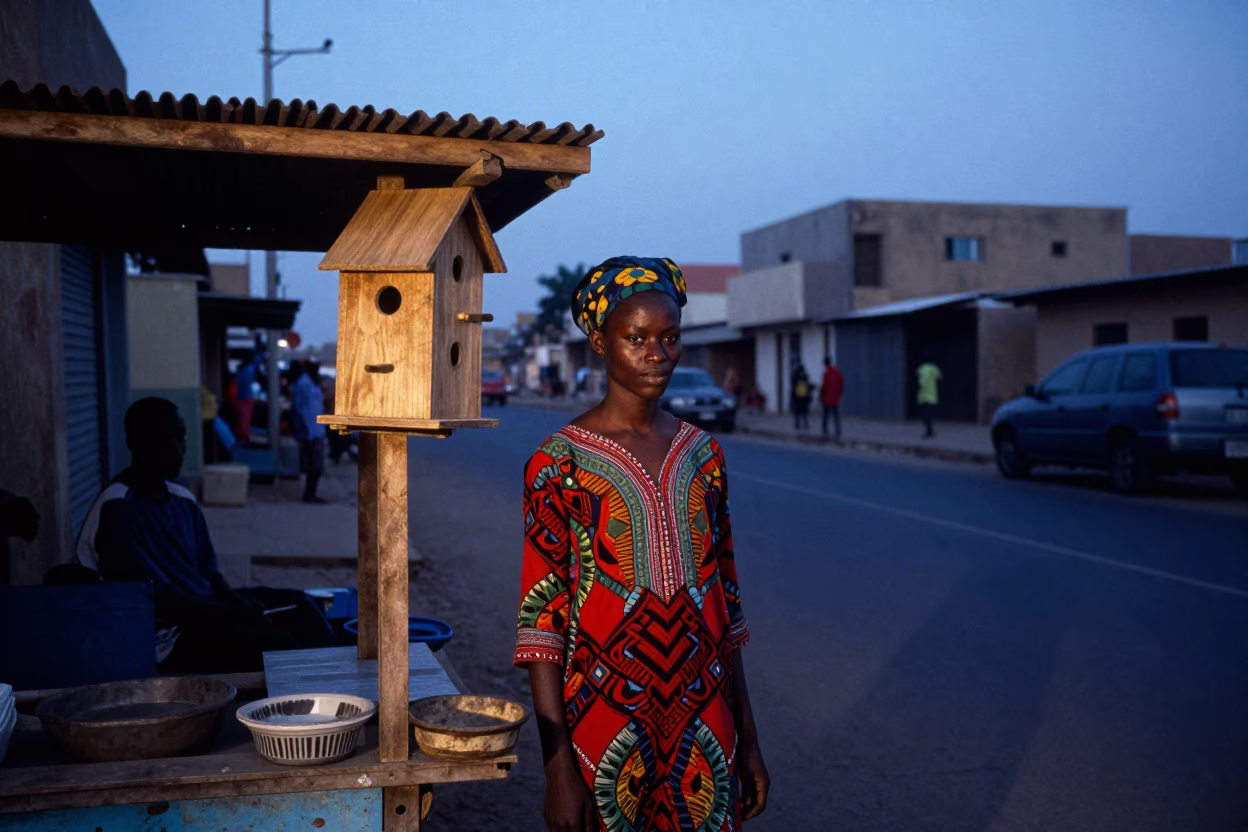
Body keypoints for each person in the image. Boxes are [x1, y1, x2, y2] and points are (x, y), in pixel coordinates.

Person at [515, 256, 769, 831]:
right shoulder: (558, 465)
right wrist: (557, 769)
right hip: (603, 729)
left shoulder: (705, 456)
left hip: (706, 726)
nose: (657, 353)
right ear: (600, 343)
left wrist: (748, 740)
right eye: (636, 338)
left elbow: (724, 607)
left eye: (669, 337)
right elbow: (540, 626)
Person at [76, 397, 333, 672]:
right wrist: (235, 614)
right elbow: (162, 602)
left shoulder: (182, 499)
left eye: (181, 438)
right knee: (278, 646)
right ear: (134, 443)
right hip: (163, 636)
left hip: (205, 607)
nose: (178, 449)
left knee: (302, 607)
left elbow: (210, 574)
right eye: (164, 440)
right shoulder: (117, 508)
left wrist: (240, 602)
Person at [290, 360, 329, 503]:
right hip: (309, 429)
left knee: (316, 464)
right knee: (313, 464)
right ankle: (309, 495)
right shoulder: (303, 384)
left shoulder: (313, 383)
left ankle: (311, 494)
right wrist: (301, 428)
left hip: (317, 428)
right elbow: (298, 408)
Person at [232, 352, 258, 441]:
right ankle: (243, 437)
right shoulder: (249, 369)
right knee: (245, 420)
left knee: (241, 420)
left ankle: (242, 436)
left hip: (239, 397)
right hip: (246, 398)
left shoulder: (240, 369)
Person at [916, 355, 943, 438]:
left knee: (925, 417)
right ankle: (930, 431)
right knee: (929, 416)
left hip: (924, 396)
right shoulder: (934, 369)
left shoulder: (923, 369)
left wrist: (920, 376)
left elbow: (922, 383)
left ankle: (929, 432)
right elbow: (940, 377)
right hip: (932, 396)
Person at [821, 356, 845, 440]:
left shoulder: (826, 373)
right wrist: (839, 394)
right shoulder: (837, 372)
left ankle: (825, 431)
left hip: (827, 399)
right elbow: (842, 384)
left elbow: (824, 386)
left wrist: (821, 397)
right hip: (835, 398)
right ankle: (838, 431)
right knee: (836, 416)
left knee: (825, 416)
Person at [791, 362, 812, 430]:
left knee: (797, 412)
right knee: (804, 412)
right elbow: (808, 386)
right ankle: (805, 424)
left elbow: (793, 387)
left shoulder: (795, 376)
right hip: (804, 397)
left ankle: (798, 424)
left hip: (798, 397)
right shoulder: (805, 376)